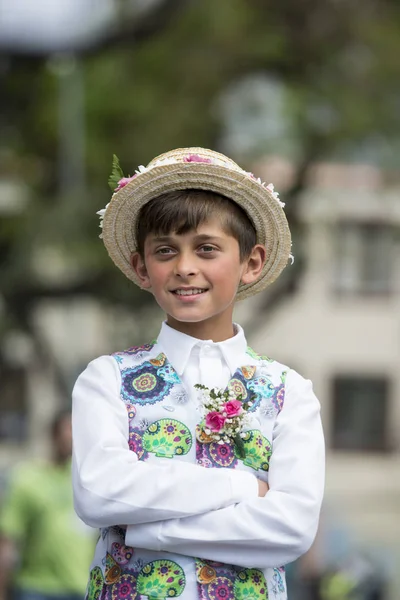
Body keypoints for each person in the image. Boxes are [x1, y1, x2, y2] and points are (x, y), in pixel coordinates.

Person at [72, 147, 325, 600]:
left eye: (206, 249)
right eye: (165, 250)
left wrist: (146, 527)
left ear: (251, 262)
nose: (185, 266)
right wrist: (243, 485)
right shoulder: (106, 378)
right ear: (141, 267)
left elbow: (291, 528)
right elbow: (98, 494)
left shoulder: (289, 391)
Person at [0, 410, 95, 600]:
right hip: (35, 588)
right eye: (70, 429)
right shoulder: (28, 478)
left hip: (82, 586)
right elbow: (7, 540)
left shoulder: (89, 481)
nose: (75, 437)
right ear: (54, 435)